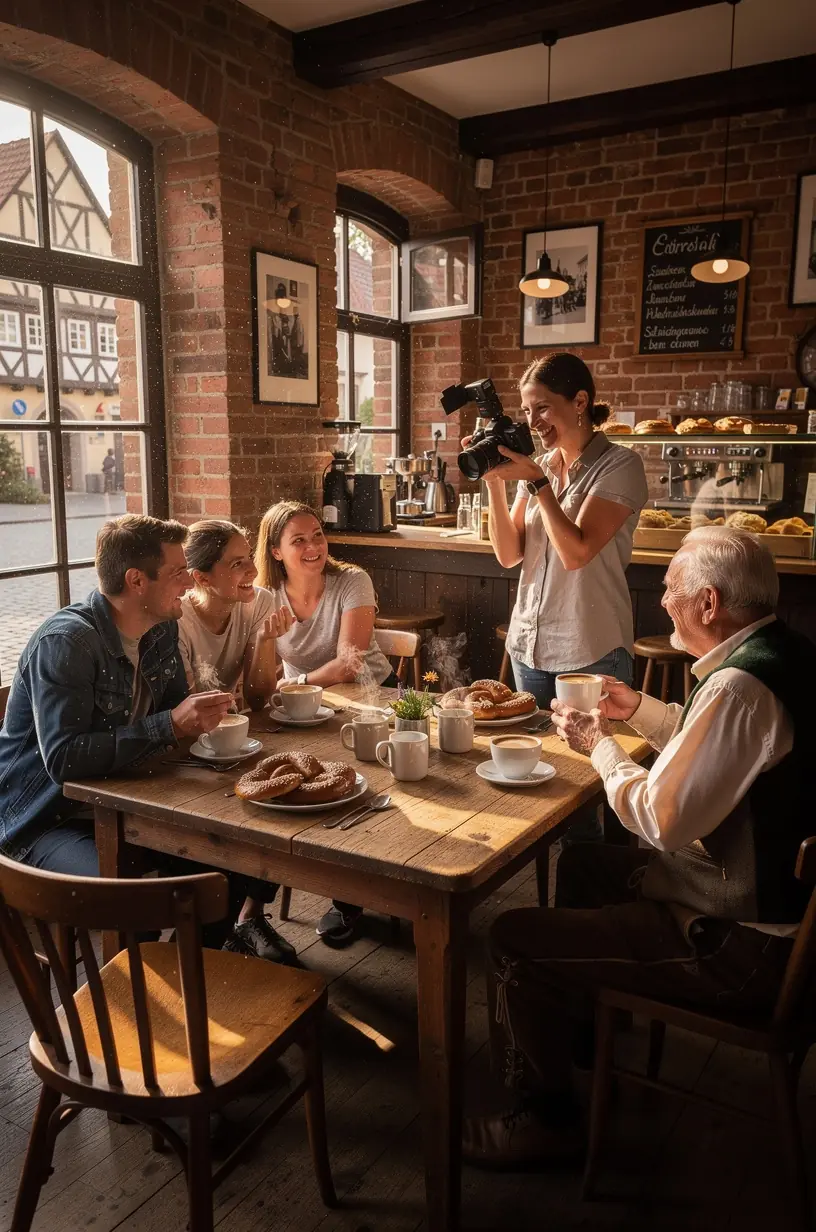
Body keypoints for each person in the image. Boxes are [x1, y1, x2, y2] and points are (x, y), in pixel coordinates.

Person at [463, 526, 816, 1170]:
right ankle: (583, 1032)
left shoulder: (739, 689)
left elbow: (661, 819)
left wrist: (597, 744)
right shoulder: (779, 654)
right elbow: (714, 749)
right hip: (786, 917)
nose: (663, 602)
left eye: (674, 589)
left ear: (709, 603)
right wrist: (638, 710)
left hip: (744, 948)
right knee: (586, 864)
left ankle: (545, 1116)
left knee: (513, 938)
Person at [0, 514, 279, 954]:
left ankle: (190, 972)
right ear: (136, 581)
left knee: (238, 862)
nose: (190, 581)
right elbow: (64, 761)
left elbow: (174, 717)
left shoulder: (162, 626)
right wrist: (169, 726)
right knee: (138, 899)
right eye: (177, 572)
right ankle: (144, 995)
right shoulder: (66, 643)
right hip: (45, 819)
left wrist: (202, 727)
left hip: (124, 800)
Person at [255, 500, 397, 945]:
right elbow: (260, 672)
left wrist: (290, 686)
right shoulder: (264, 596)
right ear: (276, 551)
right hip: (304, 712)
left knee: (349, 792)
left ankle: (346, 901)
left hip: (368, 704)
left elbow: (349, 664)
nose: (314, 545)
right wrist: (284, 691)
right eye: (299, 540)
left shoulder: (351, 580)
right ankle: (249, 912)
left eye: (317, 534)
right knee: (286, 793)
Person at [477, 352, 648, 708]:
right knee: (535, 760)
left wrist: (539, 484)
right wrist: (492, 480)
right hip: (529, 646)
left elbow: (576, 553)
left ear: (580, 402)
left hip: (589, 647)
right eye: (526, 411)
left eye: (542, 408)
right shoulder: (541, 466)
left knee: (590, 760)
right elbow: (509, 555)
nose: (533, 422)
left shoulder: (620, 464)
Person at [178, 518, 297, 965]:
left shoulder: (259, 602)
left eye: (251, 559)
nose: (252, 570)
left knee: (281, 801)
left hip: (236, 737)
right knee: (244, 823)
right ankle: (216, 936)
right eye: (237, 563)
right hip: (191, 750)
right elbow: (189, 710)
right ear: (200, 577)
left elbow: (262, 696)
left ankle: (248, 917)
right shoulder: (180, 619)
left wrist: (265, 640)